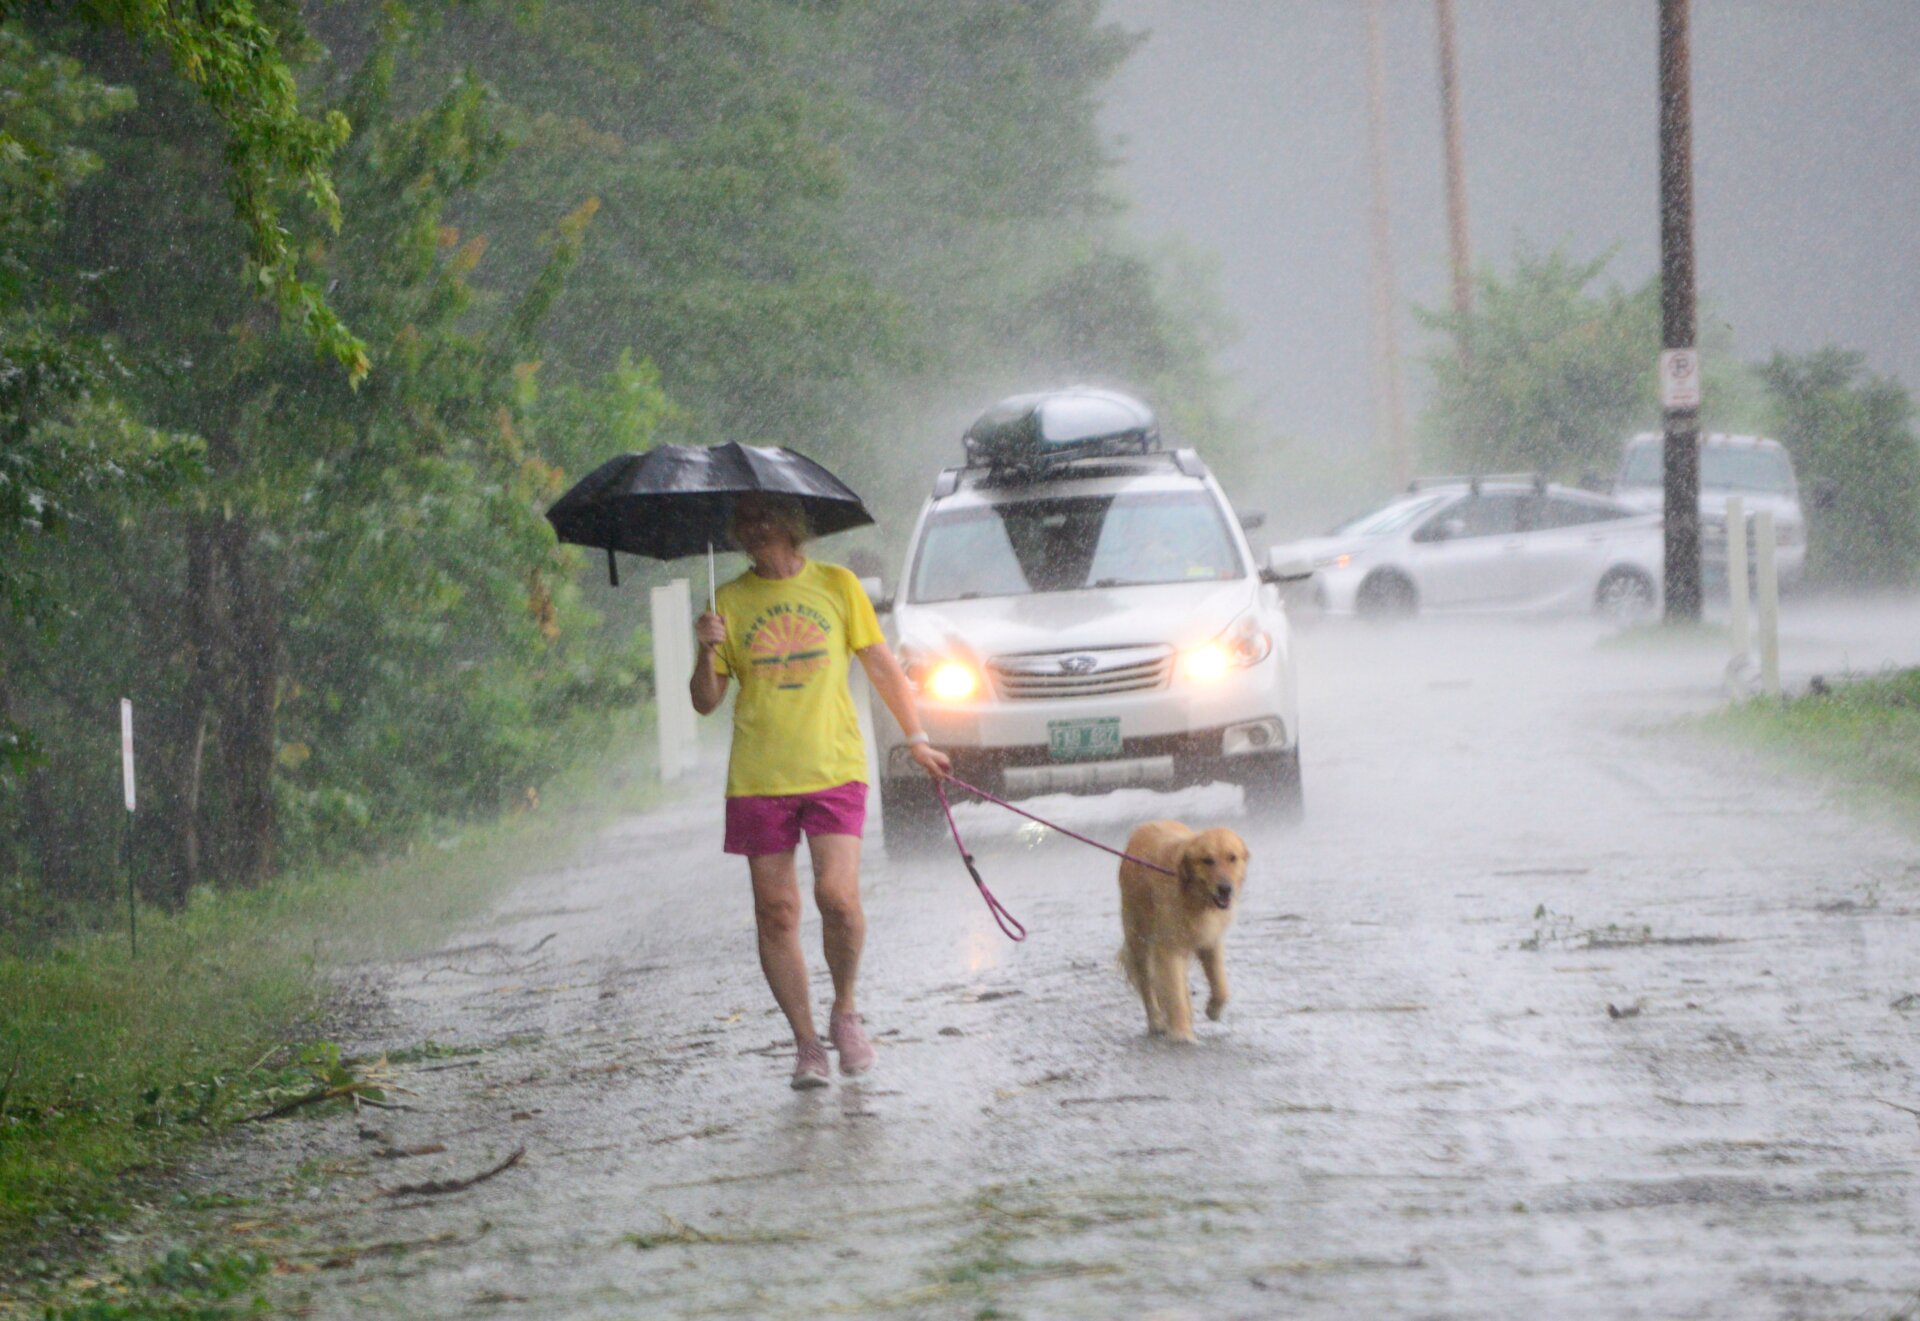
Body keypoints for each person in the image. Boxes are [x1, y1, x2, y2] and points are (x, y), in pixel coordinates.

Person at [690, 492, 950, 1089]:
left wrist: (916, 738)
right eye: (745, 521)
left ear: (791, 524)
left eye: (765, 518)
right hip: (759, 777)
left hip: (834, 765)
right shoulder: (726, 601)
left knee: (838, 897)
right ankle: (806, 1043)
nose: (755, 529)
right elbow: (705, 701)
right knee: (777, 913)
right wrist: (706, 651)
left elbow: (882, 665)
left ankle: (845, 1010)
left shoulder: (837, 584)